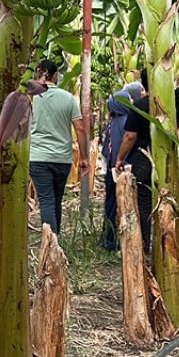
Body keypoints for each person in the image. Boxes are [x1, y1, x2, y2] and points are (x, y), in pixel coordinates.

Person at [114, 62, 179, 251]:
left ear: (144, 85)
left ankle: (145, 244)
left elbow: (129, 136)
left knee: (144, 203)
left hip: (143, 159)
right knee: (168, 200)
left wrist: (120, 158)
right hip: (168, 162)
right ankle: (169, 244)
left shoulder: (140, 105)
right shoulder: (172, 100)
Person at [27, 59, 89, 235]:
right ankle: (55, 242)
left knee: (46, 200)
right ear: (54, 76)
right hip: (62, 159)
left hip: (38, 157)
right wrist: (84, 158)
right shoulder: (68, 98)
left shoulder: (31, 96)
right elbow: (80, 129)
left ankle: (50, 244)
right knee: (55, 200)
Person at [99, 82, 144, 251]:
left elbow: (105, 149)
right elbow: (129, 142)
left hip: (111, 170)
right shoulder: (127, 122)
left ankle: (107, 238)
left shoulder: (111, 124)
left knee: (110, 204)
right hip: (125, 169)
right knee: (126, 205)